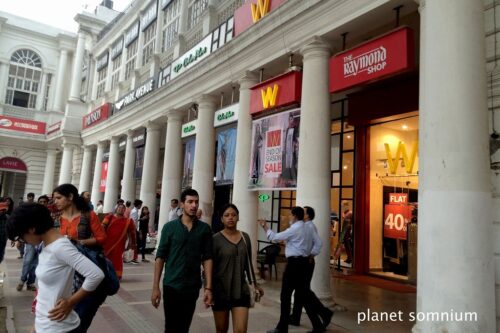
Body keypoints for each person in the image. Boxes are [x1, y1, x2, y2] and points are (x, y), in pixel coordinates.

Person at [6, 203, 104, 333]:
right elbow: (46, 291)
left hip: (58, 327)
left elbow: (96, 274)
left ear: (32, 229)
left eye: (21, 237)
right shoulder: (46, 245)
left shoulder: (60, 247)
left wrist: (71, 302)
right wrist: (37, 325)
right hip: (45, 323)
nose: (24, 241)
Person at [151, 188, 213, 333]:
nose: (194, 205)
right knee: (171, 326)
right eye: (190, 202)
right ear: (182, 204)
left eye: (196, 202)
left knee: (184, 327)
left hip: (192, 286)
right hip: (172, 284)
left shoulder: (204, 229)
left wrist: (208, 288)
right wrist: (155, 287)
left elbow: (208, 258)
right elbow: (160, 257)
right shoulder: (169, 228)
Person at [258, 207, 324, 333]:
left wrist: (265, 226)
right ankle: (318, 325)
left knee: (285, 295)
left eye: (290, 215)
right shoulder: (308, 228)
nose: (289, 218)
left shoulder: (295, 228)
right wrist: (311, 254)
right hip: (305, 264)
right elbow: (319, 243)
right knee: (303, 295)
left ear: (294, 216)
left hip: (294, 265)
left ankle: (282, 328)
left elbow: (274, 237)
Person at [55, 184, 107, 332]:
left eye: (59, 198)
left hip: (86, 270)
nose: (55, 202)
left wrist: (79, 242)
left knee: (81, 321)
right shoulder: (59, 218)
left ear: (70, 197)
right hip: (66, 273)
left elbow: (102, 237)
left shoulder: (89, 215)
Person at [212, 203, 263, 333]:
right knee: (221, 329)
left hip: (241, 291)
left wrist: (255, 284)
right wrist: (209, 289)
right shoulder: (215, 239)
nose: (231, 218)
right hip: (220, 292)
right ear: (222, 219)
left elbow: (248, 264)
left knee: (240, 331)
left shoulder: (245, 237)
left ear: (238, 217)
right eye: (227, 215)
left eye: (234, 215)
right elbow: (210, 266)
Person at [290, 206, 333, 329]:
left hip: (306, 262)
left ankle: (324, 314)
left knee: (303, 291)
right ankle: (296, 317)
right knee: (300, 291)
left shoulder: (309, 226)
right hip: (303, 261)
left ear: (307, 215)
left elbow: (318, 243)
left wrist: (310, 254)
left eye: (303, 212)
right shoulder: (305, 226)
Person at [102, 202, 136, 280]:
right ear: (116, 209)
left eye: (123, 208)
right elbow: (102, 228)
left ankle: (116, 275)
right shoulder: (109, 217)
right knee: (106, 258)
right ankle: (105, 273)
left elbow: (132, 233)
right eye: (119, 208)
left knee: (117, 259)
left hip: (119, 243)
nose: (121, 209)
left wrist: (131, 243)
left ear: (125, 210)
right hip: (107, 242)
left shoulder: (128, 221)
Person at [129, 199, 142, 264]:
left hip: (134, 229)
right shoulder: (134, 211)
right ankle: (133, 258)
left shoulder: (134, 211)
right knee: (134, 244)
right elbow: (133, 222)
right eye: (140, 205)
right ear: (139, 205)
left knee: (134, 244)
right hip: (133, 229)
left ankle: (133, 258)